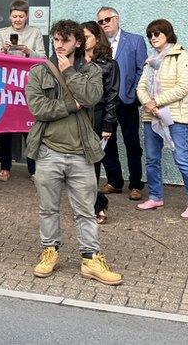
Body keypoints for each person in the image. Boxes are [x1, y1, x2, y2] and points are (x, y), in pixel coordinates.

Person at [26, 20, 122, 286]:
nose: (59, 45)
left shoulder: (91, 70)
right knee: (48, 209)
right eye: (56, 40)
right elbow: (38, 108)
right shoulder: (40, 71)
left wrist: (69, 73)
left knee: (86, 210)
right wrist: (72, 104)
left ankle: (91, 259)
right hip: (48, 152)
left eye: (65, 40)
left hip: (81, 153)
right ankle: (50, 252)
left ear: (77, 42)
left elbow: (92, 97)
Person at [135, 19, 188, 220]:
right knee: (152, 158)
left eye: (157, 33)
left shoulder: (182, 57)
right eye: (150, 35)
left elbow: (183, 87)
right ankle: (156, 196)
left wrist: (155, 101)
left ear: (168, 34)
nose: (153, 38)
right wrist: (149, 104)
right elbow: (141, 87)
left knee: (182, 159)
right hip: (151, 116)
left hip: (175, 117)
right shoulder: (151, 60)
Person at [96, 6, 147, 200]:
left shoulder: (135, 40)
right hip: (105, 101)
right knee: (107, 142)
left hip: (127, 100)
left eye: (107, 20)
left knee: (132, 142)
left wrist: (133, 93)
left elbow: (142, 70)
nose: (104, 24)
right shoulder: (98, 44)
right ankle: (115, 181)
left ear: (116, 19)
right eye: (100, 22)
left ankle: (135, 184)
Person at [0, 0, 45, 181]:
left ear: (26, 16)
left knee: (29, 129)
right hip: (7, 86)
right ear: (9, 16)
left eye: (21, 16)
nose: (17, 19)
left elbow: (43, 58)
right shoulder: (1, 33)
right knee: (5, 128)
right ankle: (5, 167)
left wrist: (28, 51)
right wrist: (3, 50)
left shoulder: (35, 33)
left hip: (28, 87)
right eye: (14, 16)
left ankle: (34, 169)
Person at [80, 21, 119, 224]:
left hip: (97, 117)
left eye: (86, 36)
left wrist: (108, 125)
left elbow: (112, 96)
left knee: (92, 164)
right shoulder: (74, 61)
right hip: (75, 117)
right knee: (77, 164)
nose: (82, 40)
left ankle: (97, 204)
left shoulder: (108, 64)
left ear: (97, 37)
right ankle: (87, 204)